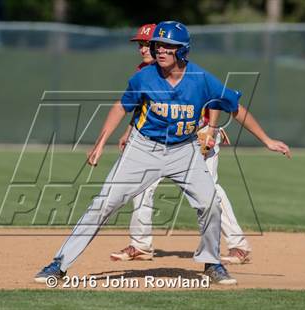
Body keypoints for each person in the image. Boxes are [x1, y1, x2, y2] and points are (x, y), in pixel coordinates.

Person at [35, 20, 244, 285]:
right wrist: (103, 141)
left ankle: (213, 262)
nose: (155, 49)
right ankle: (59, 263)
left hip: (186, 148)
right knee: (105, 203)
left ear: (181, 50)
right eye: (154, 45)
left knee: (210, 201)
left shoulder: (197, 76)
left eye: (164, 45)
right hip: (145, 148)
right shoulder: (144, 76)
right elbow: (127, 107)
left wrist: (213, 128)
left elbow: (222, 101)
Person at [109, 24, 291, 265]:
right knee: (143, 187)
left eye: (145, 43)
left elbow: (216, 100)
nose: (142, 48)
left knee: (210, 191)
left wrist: (212, 130)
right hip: (163, 140)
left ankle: (238, 245)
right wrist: (128, 131)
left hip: (199, 134)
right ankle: (141, 244)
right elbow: (146, 108)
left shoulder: (183, 69)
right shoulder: (147, 71)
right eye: (140, 44)